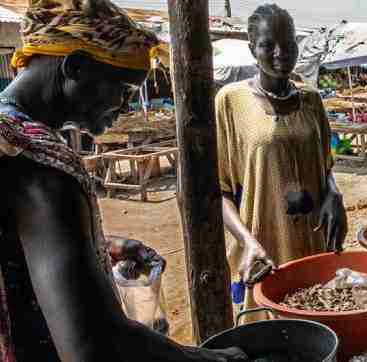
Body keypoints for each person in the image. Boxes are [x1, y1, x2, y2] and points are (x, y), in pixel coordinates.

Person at [0, 0, 247, 361]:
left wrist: (103, 245)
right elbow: (92, 346)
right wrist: (206, 358)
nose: (127, 108)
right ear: (77, 67)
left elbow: (18, 243)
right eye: (125, 90)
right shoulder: (38, 165)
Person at [215, 3, 347, 321]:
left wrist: (333, 195)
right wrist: (247, 243)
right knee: (274, 335)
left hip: (315, 241)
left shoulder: (312, 100)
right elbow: (218, 190)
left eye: (288, 44)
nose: (279, 53)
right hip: (265, 249)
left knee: (321, 325)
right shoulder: (230, 103)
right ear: (252, 49)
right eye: (267, 44)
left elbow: (325, 166)